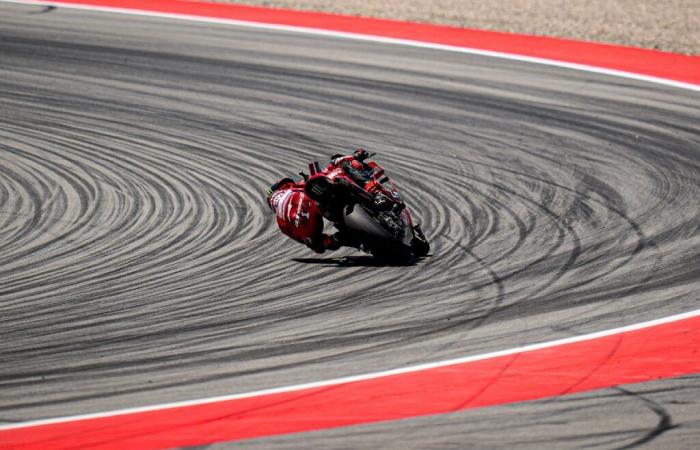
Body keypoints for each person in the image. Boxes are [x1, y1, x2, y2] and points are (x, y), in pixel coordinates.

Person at [266, 177, 349, 254]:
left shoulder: (280, 221)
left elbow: (303, 239)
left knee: (317, 244)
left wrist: (316, 243)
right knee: (330, 185)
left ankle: (337, 239)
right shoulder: (288, 187)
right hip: (305, 199)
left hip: (303, 222)